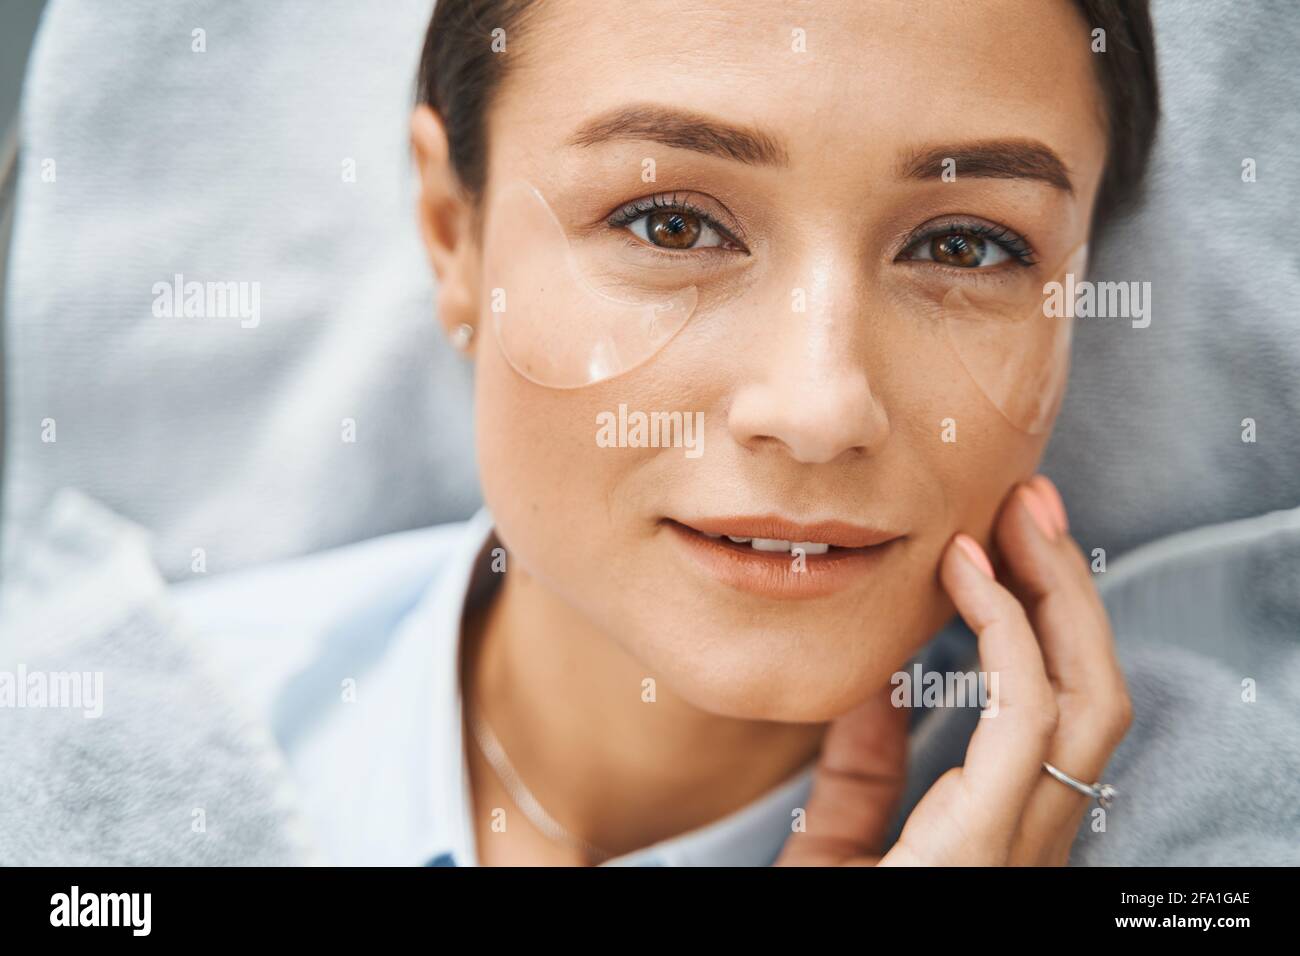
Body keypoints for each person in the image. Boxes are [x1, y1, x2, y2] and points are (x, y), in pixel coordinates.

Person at [171, 0, 1158, 866]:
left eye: (965, 245)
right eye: (669, 225)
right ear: (452, 235)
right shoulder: (126, 737)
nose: (817, 409)